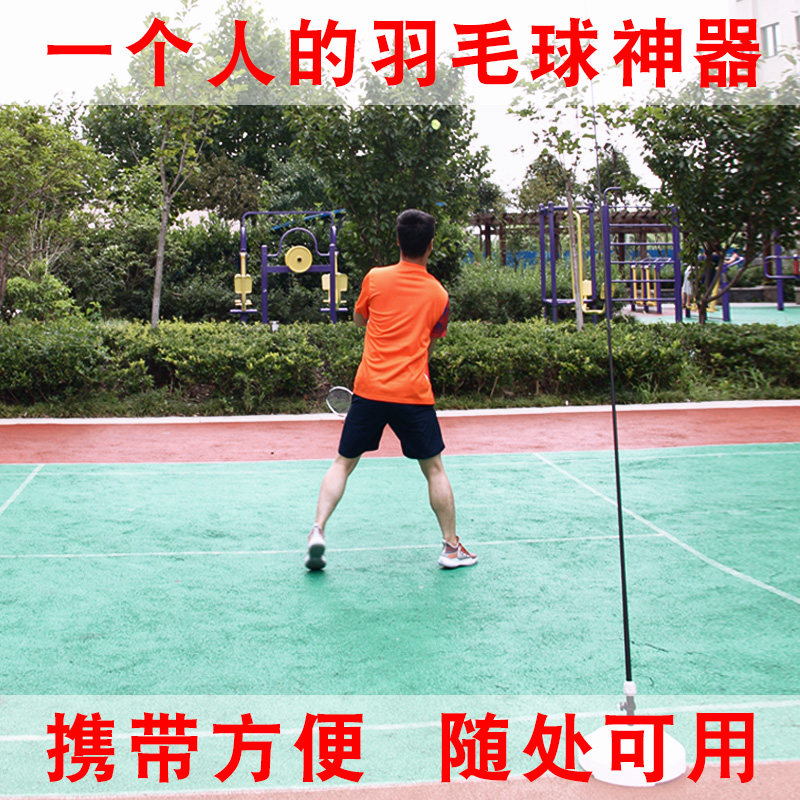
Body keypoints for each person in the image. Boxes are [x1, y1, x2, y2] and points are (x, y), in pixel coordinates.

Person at [305, 209, 477, 571]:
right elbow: (431, 344)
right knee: (434, 470)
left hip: (369, 390)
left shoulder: (375, 278)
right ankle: (451, 548)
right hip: (413, 394)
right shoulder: (439, 294)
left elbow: (359, 319)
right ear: (431, 246)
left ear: (398, 241)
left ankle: (317, 530)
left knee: (342, 463)